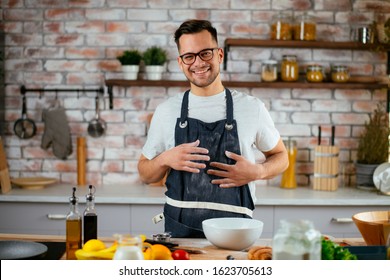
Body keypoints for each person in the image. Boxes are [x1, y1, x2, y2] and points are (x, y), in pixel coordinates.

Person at [137, 19, 288, 237]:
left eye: (205, 53)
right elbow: (145, 173)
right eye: (189, 56)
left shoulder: (251, 108)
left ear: (219, 55)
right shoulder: (166, 111)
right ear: (181, 63)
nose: (197, 63)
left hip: (236, 232)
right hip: (179, 233)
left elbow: (281, 156)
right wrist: (165, 159)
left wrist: (259, 171)